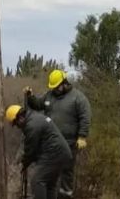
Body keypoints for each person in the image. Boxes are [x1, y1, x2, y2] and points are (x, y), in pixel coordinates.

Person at [23, 69, 91, 198]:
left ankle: (65, 196)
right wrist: (30, 97)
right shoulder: (49, 96)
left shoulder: (78, 98)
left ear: (65, 83)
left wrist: (82, 136)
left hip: (70, 142)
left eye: (57, 87)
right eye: (53, 87)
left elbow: (85, 117)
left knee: (66, 172)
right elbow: (37, 105)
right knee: (50, 173)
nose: (55, 90)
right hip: (50, 142)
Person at [5, 104, 72, 199]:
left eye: (16, 124)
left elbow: (31, 150)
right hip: (61, 153)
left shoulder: (31, 126)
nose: (17, 127)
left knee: (37, 180)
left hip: (54, 153)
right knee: (49, 184)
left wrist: (24, 163)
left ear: (19, 118)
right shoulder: (34, 117)